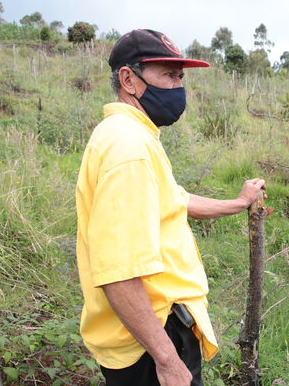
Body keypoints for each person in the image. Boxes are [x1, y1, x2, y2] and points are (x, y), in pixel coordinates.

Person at [75, 29, 266, 386]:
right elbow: (118, 271)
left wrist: (238, 203)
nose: (177, 87)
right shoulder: (128, 148)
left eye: (180, 77)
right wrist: (166, 359)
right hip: (151, 335)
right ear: (128, 79)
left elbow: (174, 200)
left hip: (148, 329)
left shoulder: (132, 134)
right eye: (167, 75)